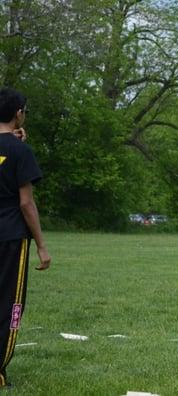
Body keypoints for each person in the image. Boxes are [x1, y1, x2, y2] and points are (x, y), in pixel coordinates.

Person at [0, 87, 51, 389]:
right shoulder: (22, 152)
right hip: (11, 238)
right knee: (11, 306)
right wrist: (42, 246)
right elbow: (26, 203)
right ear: (18, 112)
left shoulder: (15, 147)